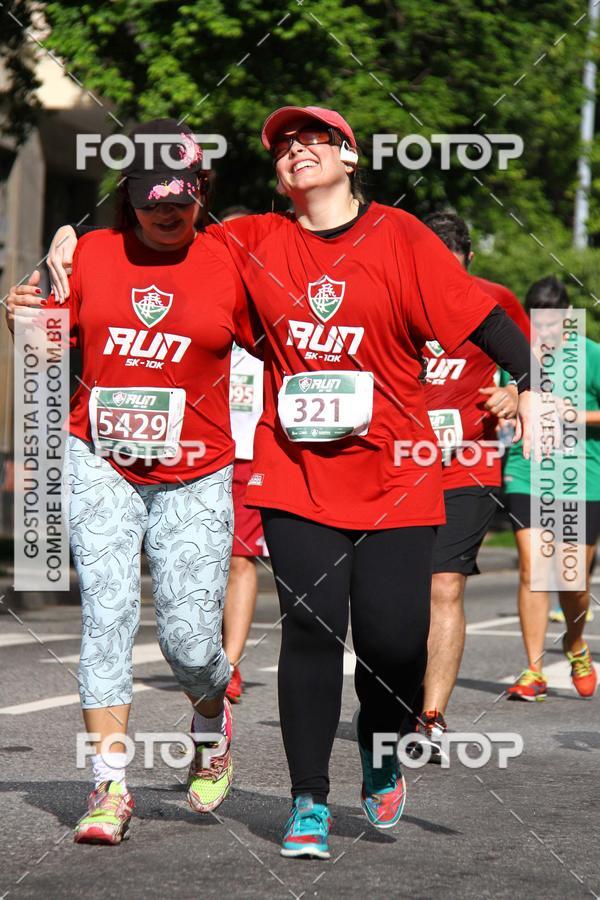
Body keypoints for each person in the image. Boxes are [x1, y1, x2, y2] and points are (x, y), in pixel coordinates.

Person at [42, 105, 535, 860]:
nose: (298, 150)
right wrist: (64, 245)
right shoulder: (249, 239)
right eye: (285, 146)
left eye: (315, 139)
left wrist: (530, 384)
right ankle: (305, 799)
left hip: (395, 473)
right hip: (293, 472)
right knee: (308, 627)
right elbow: (145, 250)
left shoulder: (399, 236)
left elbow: (481, 317)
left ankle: (379, 746)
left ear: (350, 155)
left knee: (394, 640)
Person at [5, 119, 258, 845]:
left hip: (197, 471)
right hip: (100, 458)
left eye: (180, 198)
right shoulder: (89, 253)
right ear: (130, 194)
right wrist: (19, 314)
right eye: (152, 199)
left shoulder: (230, 261)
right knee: (107, 615)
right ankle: (110, 785)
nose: (166, 212)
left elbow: (288, 346)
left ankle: (210, 721)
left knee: (189, 640)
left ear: (201, 190)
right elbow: (42, 347)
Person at [406, 212, 530, 761]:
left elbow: (532, 368)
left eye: (453, 271)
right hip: (395, 466)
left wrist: (515, 394)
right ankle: (394, 695)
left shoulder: (496, 299)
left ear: (470, 262)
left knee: (445, 586)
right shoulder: (393, 295)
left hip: (467, 464)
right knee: (393, 594)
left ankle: (431, 717)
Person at [503, 276, 599, 701]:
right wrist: (507, 410)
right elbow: (507, 404)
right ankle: (534, 670)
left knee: (572, 580)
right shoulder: (517, 354)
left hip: (582, 478)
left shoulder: (591, 355)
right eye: (537, 323)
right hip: (527, 471)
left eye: (552, 322)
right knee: (534, 569)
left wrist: (574, 415)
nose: (544, 331)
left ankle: (575, 644)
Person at [221, 206, 268, 703]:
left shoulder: (270, 305)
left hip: (251, 454)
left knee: (239, 559)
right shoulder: (197, 297)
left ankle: (229, 664)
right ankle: (200, 652)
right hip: (196, 452)